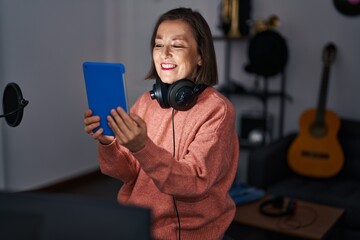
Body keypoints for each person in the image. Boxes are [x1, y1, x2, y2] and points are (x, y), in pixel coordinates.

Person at [84, 7, 239, 240]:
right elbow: (127, 173)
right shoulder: (146, 102)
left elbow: (194, 183)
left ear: (200, 56)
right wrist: (109, 143)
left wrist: (141, 146)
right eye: (158, 45)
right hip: (136, 224)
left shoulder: (217, 110)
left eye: (176, 45)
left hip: (190, 234)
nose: (164, 53)